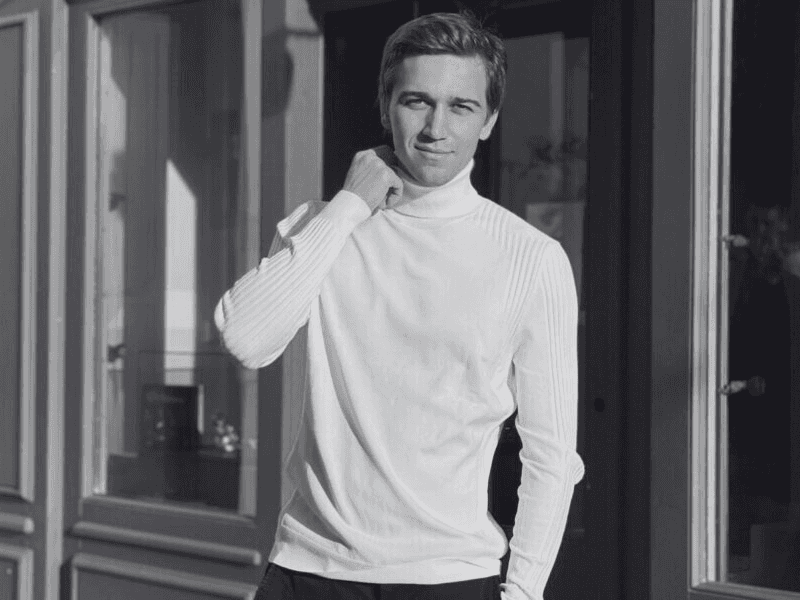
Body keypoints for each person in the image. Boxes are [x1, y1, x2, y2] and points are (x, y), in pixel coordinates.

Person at [214, 11, 583, 600]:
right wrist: (346, 208)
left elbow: (552, 453)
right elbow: (247, 340)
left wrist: (524, 591)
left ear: (488, 122)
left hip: (450, 578)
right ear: (386, 107)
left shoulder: (530, 258)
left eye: (461, 107)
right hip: (310, 571)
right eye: (417, 101)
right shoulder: (322, 228)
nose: (437, 127)